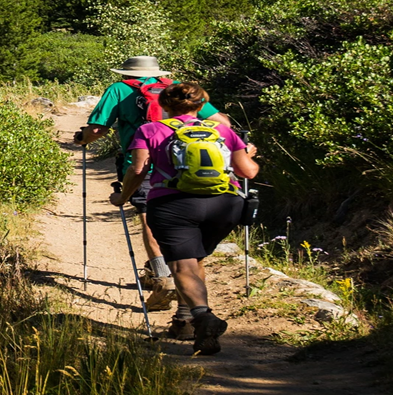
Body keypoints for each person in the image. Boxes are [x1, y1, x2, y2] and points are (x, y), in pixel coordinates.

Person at [74, 56, 230, 314]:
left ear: (125, 73)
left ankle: (161, 274)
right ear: (158, 72)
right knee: (182, 224)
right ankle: (187, 299)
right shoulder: (177, 88)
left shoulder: (119, 89)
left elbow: (98, 130)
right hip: (185, 164)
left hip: (143, 161)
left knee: (149, 216)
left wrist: (82, 140)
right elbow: (222, 123)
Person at [111, 82, 258, 355]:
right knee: (195, 258)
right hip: (225, 205)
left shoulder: (150, 129)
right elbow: (248, 172)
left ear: (163, 106)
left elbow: (138, 170)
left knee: (183, 266)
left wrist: (122, 197)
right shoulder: (224, 131)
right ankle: (187, 323)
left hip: (173, 205)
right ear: (202, 106)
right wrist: (248, 155)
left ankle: (203, 318)